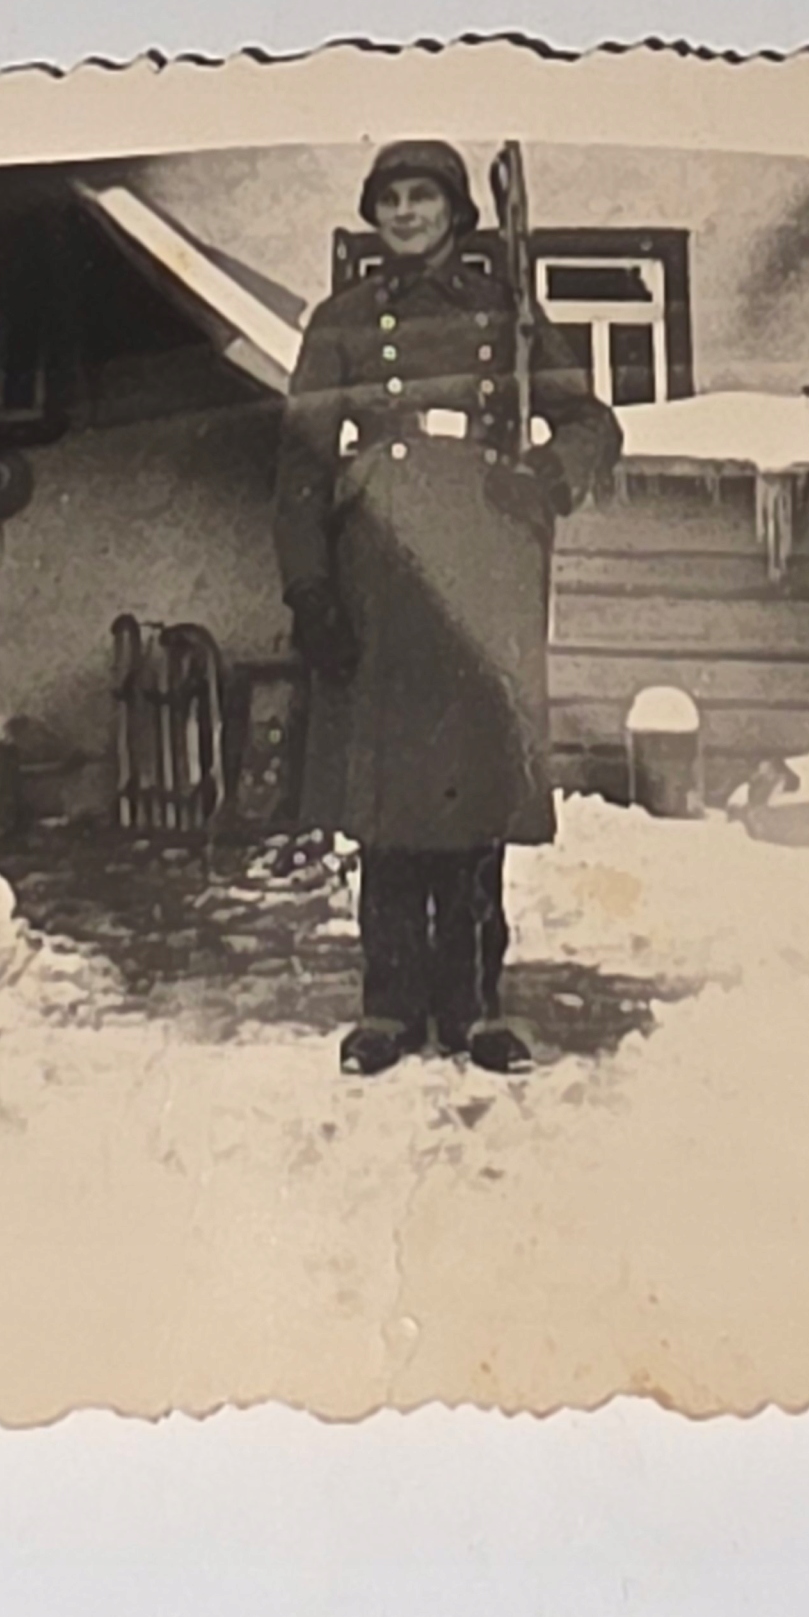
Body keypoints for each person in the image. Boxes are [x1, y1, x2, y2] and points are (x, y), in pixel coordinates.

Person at [274, 140, 621, 1076]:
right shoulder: (343, 321)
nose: (405, 212)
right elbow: (303, 462)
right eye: (389, 198)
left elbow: (592, 422)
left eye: (422, 196)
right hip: (380, 562)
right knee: (389, 792)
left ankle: (473, 1006)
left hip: (483, 556)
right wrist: (310, 587)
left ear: (456, 212)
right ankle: (388, 1007)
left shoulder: (508, 314)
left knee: (472, 785)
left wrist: (545, 476)